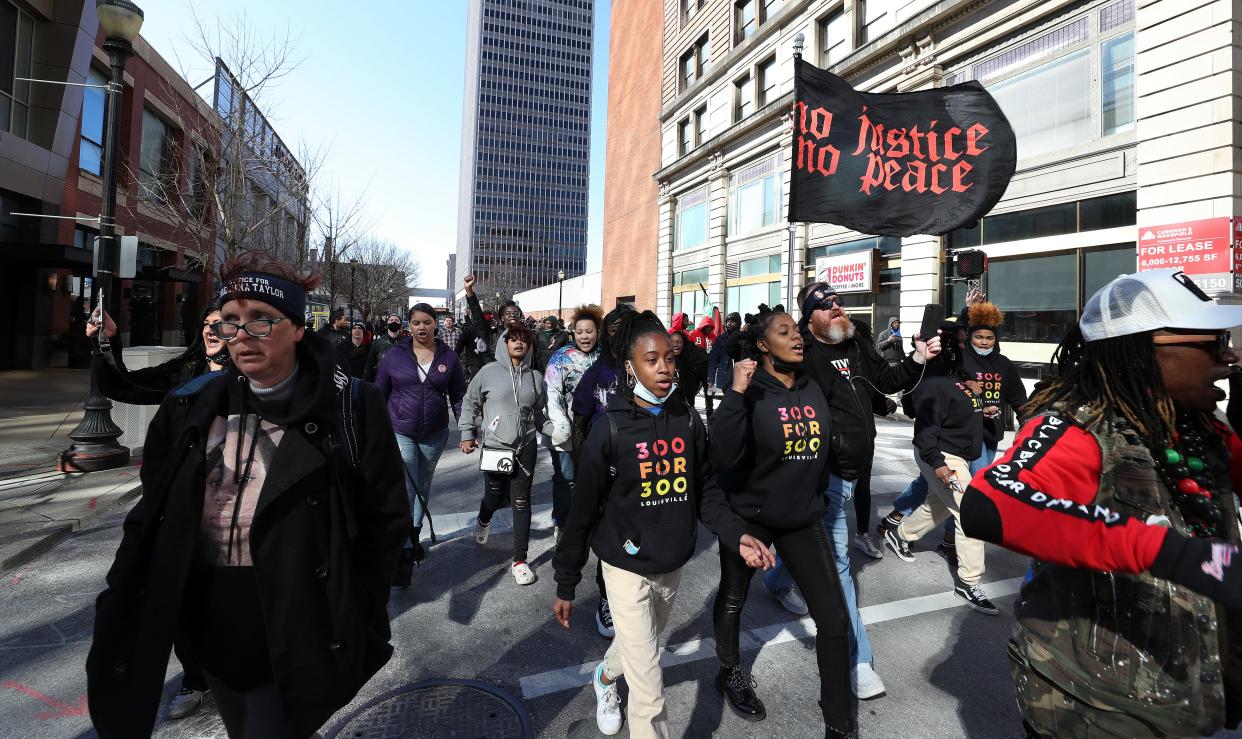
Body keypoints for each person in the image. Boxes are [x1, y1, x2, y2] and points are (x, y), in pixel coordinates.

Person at [86, 252, 410, 739]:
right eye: (232, 321)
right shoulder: (192, 405)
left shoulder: (353, 406)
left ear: (298, 328)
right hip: (209, 623)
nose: (242, 334)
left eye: (262, 320)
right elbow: (154, 510)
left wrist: (356, 609)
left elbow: (385, 520)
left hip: (296, 619)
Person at [959, 268, 1242, 738]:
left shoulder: (1198, 422)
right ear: (1146, 350)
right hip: (1097, 708)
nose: (1230, 356)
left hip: (1188, 698)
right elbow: (990, 504)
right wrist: (1181, 556)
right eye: (1213, 342)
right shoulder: (1078, 428)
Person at [552, 310, 774, 738]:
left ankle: (603, 678)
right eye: (651, 360)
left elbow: (706, 491)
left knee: (643, 646)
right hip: (624, 565)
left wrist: (737, 534)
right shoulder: (611, 429)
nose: (665, 369)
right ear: (630, 367)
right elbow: (583, 511)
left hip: (671, 563)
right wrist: (567, 581)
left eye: (670, 359)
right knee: (650, 687)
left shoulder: (688, 421)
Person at [762, 282, 940, 700]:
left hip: (857, 469)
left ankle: (776, 582)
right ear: (811, 318)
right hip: (824, 475)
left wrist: (916, 358)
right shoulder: (802, 356)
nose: (837, 307)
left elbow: (887, 382)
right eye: (826, 305)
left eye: (838, 301)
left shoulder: (857, 343)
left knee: (817, 542)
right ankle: (860, 661)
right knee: (837, 562)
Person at [708, 307, 858, 735]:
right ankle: (730, 669)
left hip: (802, 518)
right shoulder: (749, 389)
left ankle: (840, 722)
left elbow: (862, 375)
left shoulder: (813, 383)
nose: (796, 338)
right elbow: (722, 455)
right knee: (734, 597)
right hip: (749, 516)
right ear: (761, 346)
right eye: (784, 332)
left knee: (833, 619)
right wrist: (735, 395)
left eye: (797, 331)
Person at [84, 305, 228, 721]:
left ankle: (241, 674)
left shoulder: (254, 380)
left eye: (220, 324)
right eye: (205, 324)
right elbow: (124, 385)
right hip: (174, 507)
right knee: (175, 594)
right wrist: (105, 339)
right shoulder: (188, 373)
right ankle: (196, 678)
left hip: (230, 511)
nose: (210, 330)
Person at [880, 320, 997, 613]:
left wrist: (980, 403)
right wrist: (939, 464)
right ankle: (969, 583)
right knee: (970, 512)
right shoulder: (932, 383)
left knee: (942, 504)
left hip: (956, 454)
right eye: (958, 342)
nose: (964, 346)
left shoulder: (957, 376)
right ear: (943, 346)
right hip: (942, 455)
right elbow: (926, 430)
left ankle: (900, 534)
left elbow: (957, 411)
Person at [375, 303, 467, 587]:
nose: (422, 327)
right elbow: (378, 393)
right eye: (416, 322)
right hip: (400, 430)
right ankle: (403, 555)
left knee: (422, 488)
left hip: (435, 433)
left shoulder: (448, 357)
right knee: (406, 489)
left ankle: (412, 539)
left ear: (435, 324)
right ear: (409, 325)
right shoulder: (393, 356)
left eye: (427, 322)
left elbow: (459, 396)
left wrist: (466, 431)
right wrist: (375, 432)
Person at [460, 321, 552, 585]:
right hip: (496, 448)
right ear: (504, 343)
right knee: (494, 495)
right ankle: (484, 519)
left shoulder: (535, 378)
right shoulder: (488, 372)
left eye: (524, 339)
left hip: (526, 447)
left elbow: (538, 414)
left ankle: (520, 560)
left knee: (521, 501)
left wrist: (551, 429)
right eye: (513, 339)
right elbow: (470, 402)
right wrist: (468, 433)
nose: (519, 343)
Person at [568, 303, 635, 637]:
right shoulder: (598, 372)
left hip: (643, 469)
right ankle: (606, 599)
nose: (621, 334)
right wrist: (585, 469)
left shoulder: (647, 365)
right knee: (608, 537)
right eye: (614, 327)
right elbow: (580, 418)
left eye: (628, 326)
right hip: (605, 468)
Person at [545, 304, 603, 538]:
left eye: (589, 331)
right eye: (579, 332)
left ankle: (592, 521)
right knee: (566, 479)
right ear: (573, 332)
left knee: (594, 478)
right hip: (567, 429)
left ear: (597, 331)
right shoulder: (561, 357)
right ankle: (563, 522)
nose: (584, 336)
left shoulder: (606, 356)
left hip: (597, 428)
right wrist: (561, 424)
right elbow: (552, 391)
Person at [706, 312, 741, 419]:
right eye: (727, 321)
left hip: (741, 376)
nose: (729, 324)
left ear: (738, 323)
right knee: (727, 404)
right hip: (726, 377)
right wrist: (710, 380)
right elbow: (713, 361)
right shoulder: (720, 339)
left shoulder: (743, 338)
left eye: (732, 321)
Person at [669, 329, 708, 409]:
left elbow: (692, 386)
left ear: (684, 344)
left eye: (678, 342)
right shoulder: (667, 354)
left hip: (693, 383)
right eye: (672, 342)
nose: (675, 345)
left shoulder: (692, 356)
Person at [364, 313, 405, 381]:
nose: (394, 322)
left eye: (396, 320)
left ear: (400, 324)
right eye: (391, 320)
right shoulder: (377, 343)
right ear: (387, 324)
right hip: (382, 383)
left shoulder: (407, 342)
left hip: (402, 384)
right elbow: (369, 365)